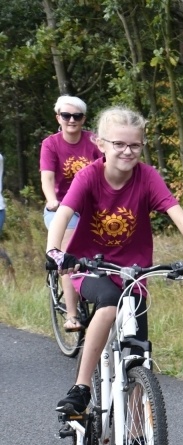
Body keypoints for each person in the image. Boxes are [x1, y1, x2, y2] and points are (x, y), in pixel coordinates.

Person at [45, 105, 183, 414]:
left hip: (133, 274)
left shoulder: (148, 177)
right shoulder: (89, 176)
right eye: (119, 144)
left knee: (138, 355)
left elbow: (179, 216)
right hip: (91, 268)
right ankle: (81, 387)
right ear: (101, 144)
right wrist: (55, 251)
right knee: (108, 303)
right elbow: (63, 216)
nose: (127, 151)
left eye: (134, 145)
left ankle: (138, 438)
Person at [41, 95, 103, 332]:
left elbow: (107, 169)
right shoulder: (51, 144)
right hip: (63, 208)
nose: (71, 120)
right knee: (69, 254)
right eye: (66, 115)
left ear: (83, 119)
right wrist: (52, 200)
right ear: (58, 117)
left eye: (77, 116)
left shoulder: (94, 142)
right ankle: (72, 314)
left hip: (91, 207)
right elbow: (47, 178)